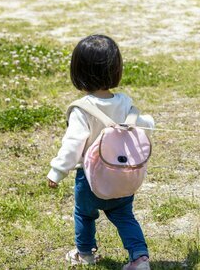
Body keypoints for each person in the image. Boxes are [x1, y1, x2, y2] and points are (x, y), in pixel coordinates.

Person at [47, 35, 154, 270]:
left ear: (79, 72)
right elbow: (144, 124)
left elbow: (74, 143)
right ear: (116, 69)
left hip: (91, 178)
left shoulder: (82, 109)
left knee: (85, 215)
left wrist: (57, 171)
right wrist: (150, 122)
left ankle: (85, 254)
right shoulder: (124, 102)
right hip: (123, 175)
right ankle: (139, 257)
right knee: (125, 216)